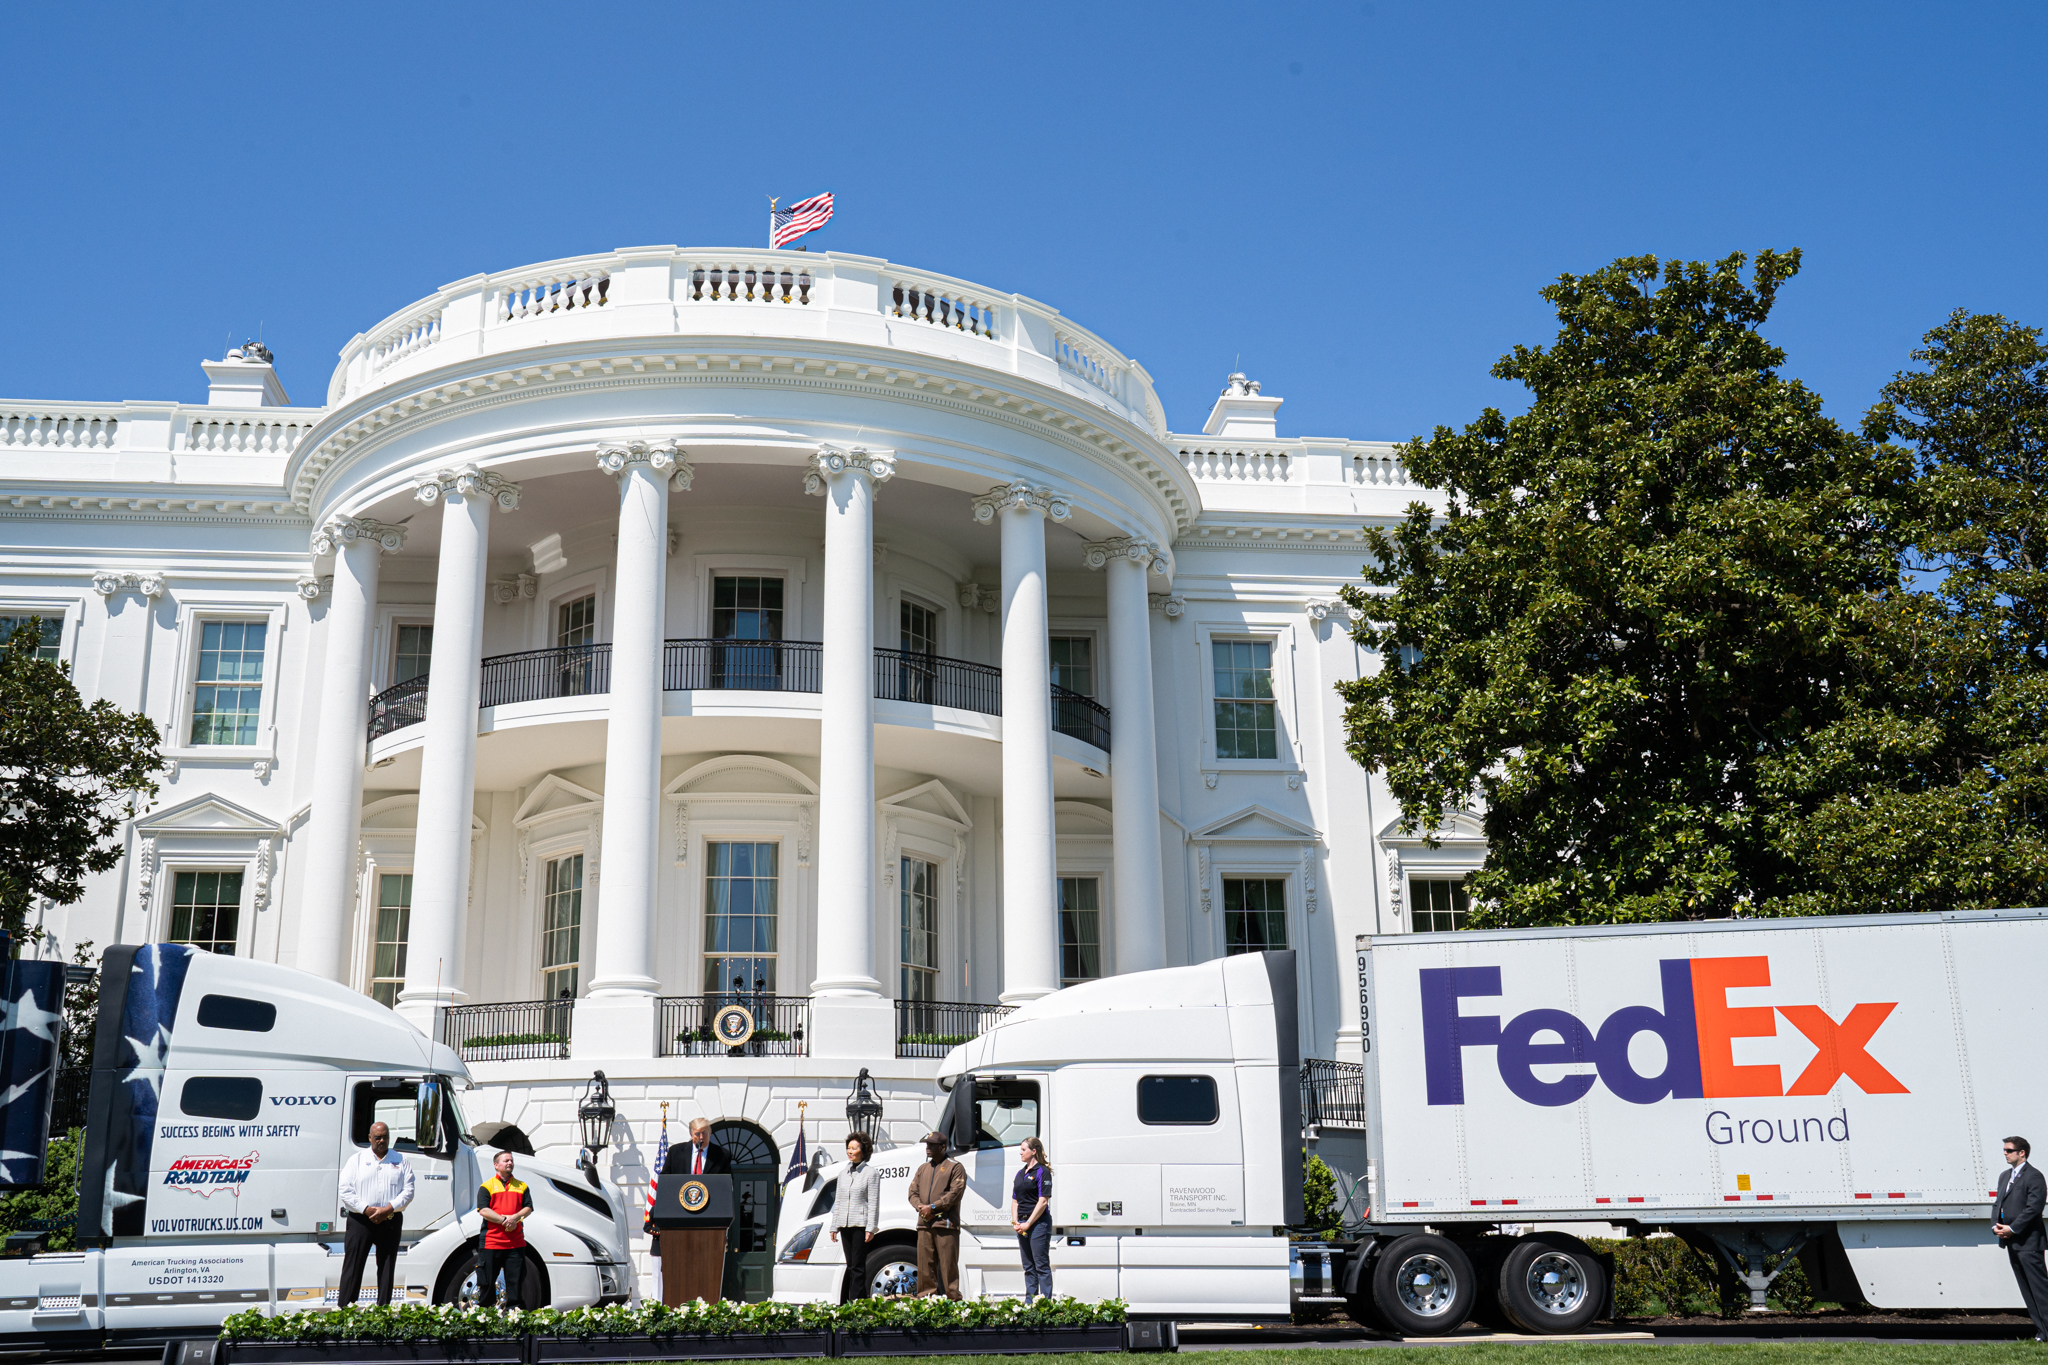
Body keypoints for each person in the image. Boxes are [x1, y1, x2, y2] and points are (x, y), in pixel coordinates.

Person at [337, 1120, 415, 1307]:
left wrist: (388, 1208)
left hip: (390, 1219)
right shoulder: (356, 1160)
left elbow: (409, 1190)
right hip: (360, 1220)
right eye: (377, 1137)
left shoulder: (400, 1160)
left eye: (385, 1137)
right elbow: (345, 1190)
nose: (381, 1140)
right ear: (370, 1138)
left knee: (387, 1266)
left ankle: (383, 1310)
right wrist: (367, 1209)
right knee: (353, 1266)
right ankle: (345, 1310)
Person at [1994, 1135, 2048, 1341]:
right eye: (2005, 1150)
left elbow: (2033, 1208)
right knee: (2026, 1289)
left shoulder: (2034, 1176)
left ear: (2022, 1152)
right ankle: (2042, 1331)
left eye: (2009, 1150)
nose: (2005, 1153)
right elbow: (1997, 1204)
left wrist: (2013, 1228)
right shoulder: (2004, 1176)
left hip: (2029, 1242)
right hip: (2012, 1242)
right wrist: (1995, 1226)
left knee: (2039, 1289)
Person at [908, 1130, 964, 1299]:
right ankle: (926, 1302)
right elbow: (912, 1193)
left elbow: (955, 1194)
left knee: (948, 1268)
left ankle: (954, 1304)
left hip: (946, 1225)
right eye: (927, 1144)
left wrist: (933, 1207)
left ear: (943, 1147)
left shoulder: (955, 1167)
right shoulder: (922, 1168)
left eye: (932, 1145)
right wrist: (921, 1208)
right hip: (924, 1224)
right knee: (925, 1267)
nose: (928, 1148)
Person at [476, 1150, 534, 1309]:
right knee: (486, 1284)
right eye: (506, 1161)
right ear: (496, 1165)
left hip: (515, 1244)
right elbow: (484, 1210)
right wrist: (505, 1220)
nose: (510, 1163)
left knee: (515, 1283)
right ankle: (486, 1318)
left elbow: (528, 1208)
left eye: (511, 1160)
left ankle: (514, 1319)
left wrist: (515, 1218)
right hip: (491, 1243)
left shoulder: (522, 1186)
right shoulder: (486, 1186)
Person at [828, 1132, 879, 1301]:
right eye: (848, 1148)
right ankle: (854, 1302)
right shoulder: (843, 1173)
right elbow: (839, 1201)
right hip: (844, 1224)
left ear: (863, 1151)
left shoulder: (871, 1173)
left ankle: (856, 1304)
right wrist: (834, 1226)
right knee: (850, 1266)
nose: (850, 1151)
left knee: (858, 1266)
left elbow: (873, 1202)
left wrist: (871, 1228)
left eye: (854, 1148)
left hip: (860, 1225)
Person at [1012, 1136, 1053, 1302]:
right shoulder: (1020, 1173)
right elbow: (1015, 1200)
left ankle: (1044, 1304)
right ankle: (1030, 1303)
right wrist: (1016, 1223)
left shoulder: (1043, 1171)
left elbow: (1043, 1201)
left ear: (1033, 1151)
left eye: (1023, 1149)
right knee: (1028, 1266)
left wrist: (1028, 1223)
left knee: (1041, 1265)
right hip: (1022, 1225)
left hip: (1038, 1224)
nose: (1020, 1153)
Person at [663, 1118, 733, 1177]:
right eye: (697, 1134)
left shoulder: (722, 1155)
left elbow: (727, 1182)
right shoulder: (675, 1152)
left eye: (704, 1133)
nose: (701, 1137)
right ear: (691, 1135)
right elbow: (665, 1177)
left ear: (710, 1132)